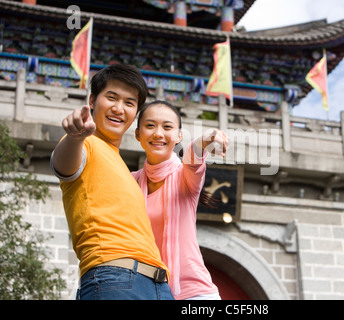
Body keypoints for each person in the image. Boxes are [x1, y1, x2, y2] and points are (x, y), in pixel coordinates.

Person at [50, 64, 173, 300]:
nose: (119, 108)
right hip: (114, 277)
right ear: (93, 100)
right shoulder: (85, 143)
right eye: (112, 98)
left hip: (158, 286)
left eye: (129, 103)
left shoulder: (123, 168)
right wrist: (75, 137)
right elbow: (63, 166)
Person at [132, 100, 229, 300]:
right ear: (137, 134)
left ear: (179, 136)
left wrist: (204, 141)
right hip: (148, 292)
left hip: (195, 293)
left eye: (167, 127)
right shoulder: (130, 181)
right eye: (150, 125)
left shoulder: (184, 177)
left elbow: (192, 160)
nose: (158, 133)